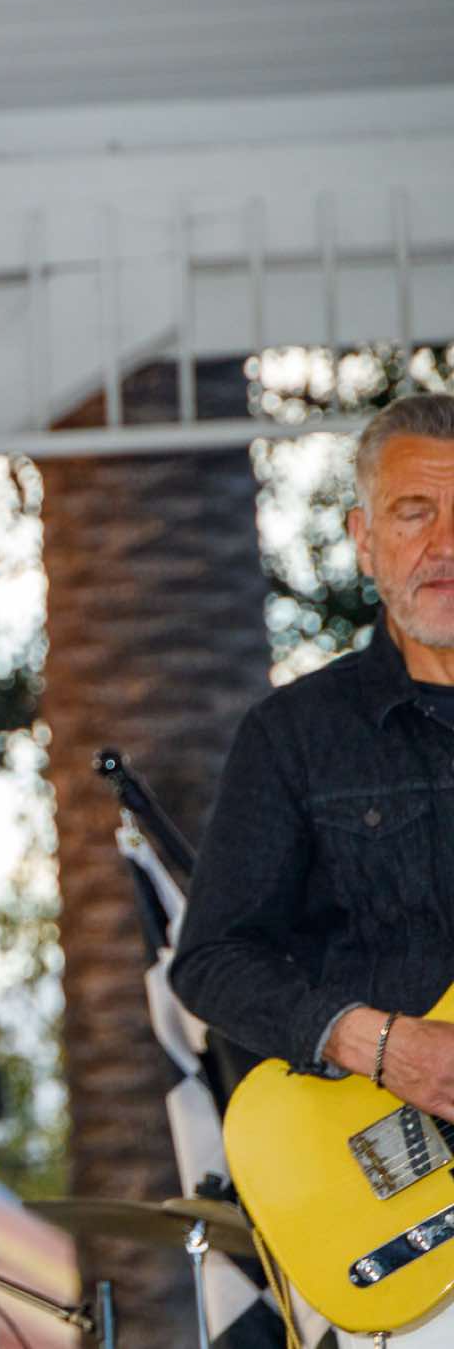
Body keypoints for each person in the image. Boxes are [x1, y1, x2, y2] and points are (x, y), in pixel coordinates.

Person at [172, 393, 454, 1115]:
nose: (446, 544)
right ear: (365, 539)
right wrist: (377, 1044)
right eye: (414, 513)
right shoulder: (293, 733)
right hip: (380, 1156)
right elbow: (212, 960)